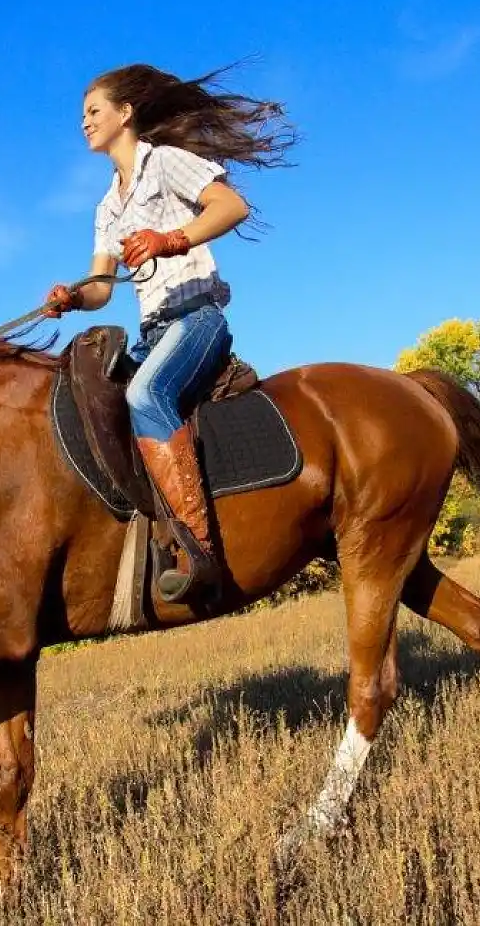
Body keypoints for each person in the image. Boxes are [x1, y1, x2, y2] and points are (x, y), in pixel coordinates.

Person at [45, 62, 296, 606]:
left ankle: (200, 552)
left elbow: (231, 206)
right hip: (152, 333)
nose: (84, 123)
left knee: (145, 394)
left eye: (94, 111)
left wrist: (172, 239)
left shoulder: (166, 164)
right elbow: (102, 287)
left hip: (196, 320)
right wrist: (71, 297)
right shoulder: (107, 206)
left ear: (125, 113)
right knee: (102, 407)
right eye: (81, 115)